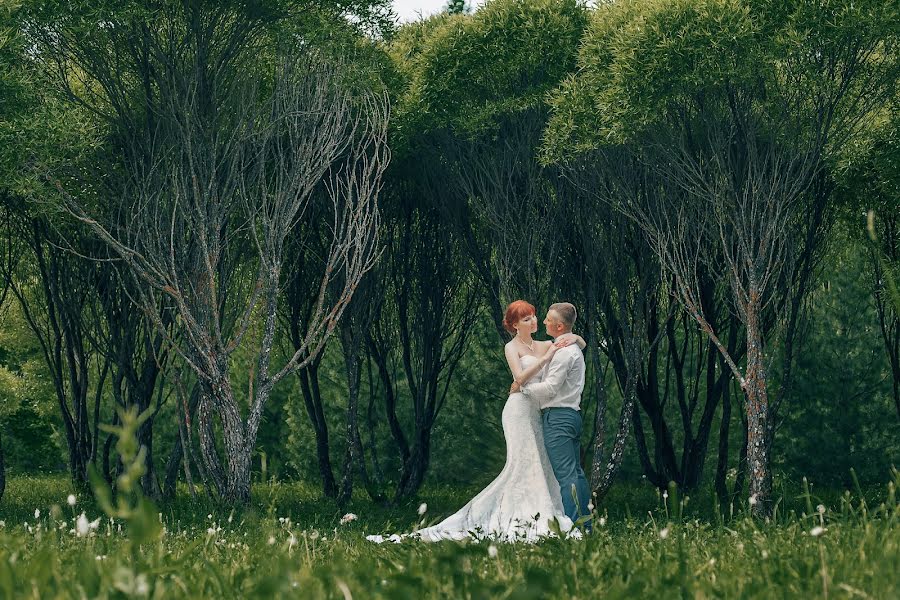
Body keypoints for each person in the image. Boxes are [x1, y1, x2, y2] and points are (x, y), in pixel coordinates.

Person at [368, 300, 586, 544]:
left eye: (535, 316)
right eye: (527, 319)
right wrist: (545, 360)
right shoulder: (512, 347)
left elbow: (572, 342)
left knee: (542, 463)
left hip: (539, 410)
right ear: (515, 325)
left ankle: (553, 510)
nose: (535, 321)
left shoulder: (545, 343)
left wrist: (575, 338)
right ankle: (515, 511)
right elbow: (520, 378)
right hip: (519, 408)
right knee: (523, 462)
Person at [511, 302, 591, 531]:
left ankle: (577, 528)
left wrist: (521, 388)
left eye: (547, 319)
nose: (543, 321)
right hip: (570, 415)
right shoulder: (563, 345)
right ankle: (586, 526)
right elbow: (576, 343)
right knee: (576, 473)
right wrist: (577, 337)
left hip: (558, 418)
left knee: (567, 476)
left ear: (558, 326)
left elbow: (551, 388)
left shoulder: (564, 352)